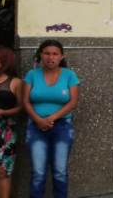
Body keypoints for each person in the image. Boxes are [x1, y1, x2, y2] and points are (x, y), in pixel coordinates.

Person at [23, 40, 79, 198]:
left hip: (62, 126)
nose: (50, 57)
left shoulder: (70, 75)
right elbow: (25, 101)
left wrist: (51, 118)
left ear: (61, 56)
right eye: (47, 53)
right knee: (38, 173)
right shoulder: (32, 75)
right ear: (41, 55)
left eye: (55, 54)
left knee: (60, 172)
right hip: (35, 126)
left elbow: (73, 102)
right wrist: (38, 120)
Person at [0, 46, 20, 198]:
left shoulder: (16, 82)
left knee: (2, 171)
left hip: (5, 132)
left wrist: (4, 112)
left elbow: (22, 107)